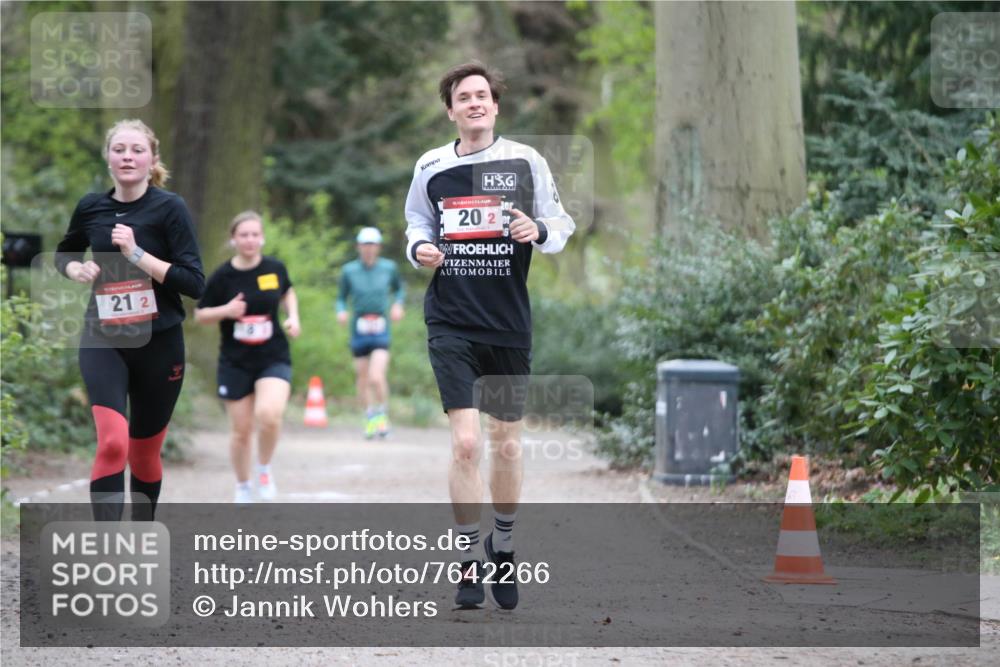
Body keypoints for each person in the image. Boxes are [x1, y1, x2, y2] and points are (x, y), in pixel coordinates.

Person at [404, 62, 574, 610]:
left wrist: (538, 229)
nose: (475, 103)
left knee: (504, 442)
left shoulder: (526, 161)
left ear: (495, 107)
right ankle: (467, 560)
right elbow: (415, 225)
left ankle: (502, 548)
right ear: (450, 110)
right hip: (451, 320)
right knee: (467, 443)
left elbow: (560, 224)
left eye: (483, 95)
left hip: (507, 324)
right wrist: (419, 250)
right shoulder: (430, 166)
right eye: (463, 97)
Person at [55, 119, 205, 521]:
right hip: (104, 336)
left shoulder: (170, 208)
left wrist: (137, 254)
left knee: (143, 453)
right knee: (112, 444)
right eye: (119, 149)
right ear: (108, 157)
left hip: (160, 341)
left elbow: (194, 283)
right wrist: (75, 270)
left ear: (152, 159)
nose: (127, 156)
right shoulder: (92, 207)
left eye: (137, 150)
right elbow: (65, 252)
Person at [194, 211, 300, 503]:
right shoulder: (222, 276)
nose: (250, 240)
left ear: (262, 237)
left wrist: (293, 317)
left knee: (269, 415)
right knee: (241, 432)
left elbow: (288, 292)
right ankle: (243, 485)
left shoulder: (274, 268)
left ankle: (264, 467)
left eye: (255, 234)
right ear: (233, 239)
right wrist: (225, 311)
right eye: (244, 235)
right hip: (235, 361)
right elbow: (200, 314)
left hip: (272, 356)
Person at [336, 227, 405, 439]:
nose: (368, 248)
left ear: (378, 247)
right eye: (365, 244)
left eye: (372, 244)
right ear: (358, 246)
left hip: (381, 327)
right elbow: (341, 297)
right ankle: (369, 417)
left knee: (377, 376)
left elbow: (399, 289)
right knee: (363, 377)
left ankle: (382, 415)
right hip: (359, 328)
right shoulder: (349, 271)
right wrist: (341, 311)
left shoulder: (388, 268)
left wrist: (398, 305)